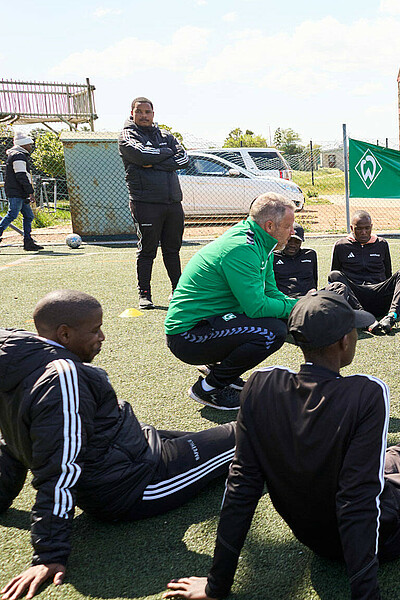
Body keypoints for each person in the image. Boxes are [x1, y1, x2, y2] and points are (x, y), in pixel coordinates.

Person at [162, 290, 400, 600]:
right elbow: (358, 502)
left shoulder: (261, 385)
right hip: (381, 527)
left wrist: (217, 584)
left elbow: (242, 486)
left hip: (317, 532)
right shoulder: (364, 393)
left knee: (392, 458)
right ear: (344, 341)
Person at [0, 290, 235, 600]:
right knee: (246, 433)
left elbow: (11, 440)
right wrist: (49, 554)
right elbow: (60, 468)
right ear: (65, 334)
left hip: (130, 446)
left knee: (217, 439)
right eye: (95, 329)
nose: (102, 336)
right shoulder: (63, 377)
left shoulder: (16, 358)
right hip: (133, 484)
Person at [165, 193, 298, 410]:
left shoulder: (262, 243)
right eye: (289, 226)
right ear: (270, 225)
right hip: (187, 337)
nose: (293, 232)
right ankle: (208, 389)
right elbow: (257, 307)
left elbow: (271, 291)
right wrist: (298, 306)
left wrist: (294, 304)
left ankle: (220, 371)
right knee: (272, 332)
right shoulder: (243, 248)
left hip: (210, 323)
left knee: (277, 322)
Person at [118, 97, 189, 309]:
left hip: (172, 202)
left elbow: (184, 159)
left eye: (147, 112)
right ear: (132, 113)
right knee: (148, 250)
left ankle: (178, 290)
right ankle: (145, 294)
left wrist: (153, 163)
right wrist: (166, 157)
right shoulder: (126, 136)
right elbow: (139, 154)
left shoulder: (165, 135)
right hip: (145, 203)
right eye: (139, 111)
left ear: (153, 114)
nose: (143, 115)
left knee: (172, 249)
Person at [328, 210, 400, 334]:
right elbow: (336, 280)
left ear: (371, 227)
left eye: (367, 228)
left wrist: (396, 294)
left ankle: (391, 317)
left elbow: (387, 274)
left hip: (380, 296)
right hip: (356, 297)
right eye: (359, 229)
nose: (364, 232)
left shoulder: (381, 244)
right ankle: (364, 318)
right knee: (334, 275)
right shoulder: (341, 246)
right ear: (352, 228)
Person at [1, 131, 43, 251]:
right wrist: (30, 191)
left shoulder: (16, 154)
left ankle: (28, 241)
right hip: (17, 191)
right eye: (29, 144)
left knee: (28, 215)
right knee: (12, 214)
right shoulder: (18, 156)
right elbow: (21, 175)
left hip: (19, 190)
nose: (31, 146)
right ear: (23, 145)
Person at [273, 224, 317, 298]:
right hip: (284, 299)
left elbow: (314, 279)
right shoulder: (273, 257)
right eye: (289, 241)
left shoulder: (310, 254)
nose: (292, 245)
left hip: (307, 298)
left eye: (297, 241)